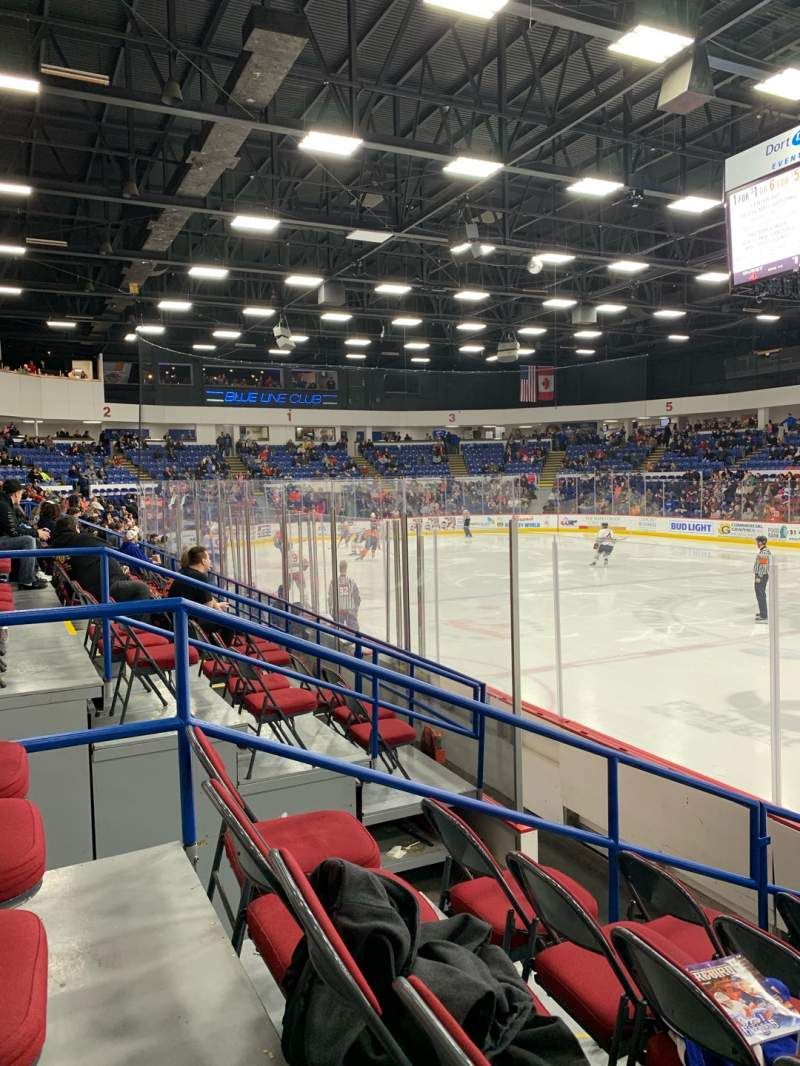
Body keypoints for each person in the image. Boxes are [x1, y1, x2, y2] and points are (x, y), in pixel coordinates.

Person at [51, 515, 152, 606]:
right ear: (75, 528)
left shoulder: (58, 545)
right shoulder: (81, 539)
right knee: (142, 589)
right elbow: (107, 547)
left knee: (140, 587)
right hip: (103, 586)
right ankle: (137, 625)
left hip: (103, 583)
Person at [167, 546, 232, 643]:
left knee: (227, 618)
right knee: (229, 624)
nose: (210, 561)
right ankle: (217, 652)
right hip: (190, 621)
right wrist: (219, 609)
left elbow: (207, 599)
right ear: (203, 561)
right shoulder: (200, 577)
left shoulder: (184, 572)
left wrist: (216, 606)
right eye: (209, 558)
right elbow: (208, 609)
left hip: (180, 618)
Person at [0, 479, 50, 589]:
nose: (22, 496)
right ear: (16, 493)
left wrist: (35, 532)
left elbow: (15, 525)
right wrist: (36, 532)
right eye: (21, 493)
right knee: (28, 540)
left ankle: (34, 573)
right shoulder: (3, 505)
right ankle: (26, 581)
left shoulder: (5, 503)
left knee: (31, 537)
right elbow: (14, 531)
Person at [328, 560, 361, 630]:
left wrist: (332, 611)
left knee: (337, 632)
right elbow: (357, 598)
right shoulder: (352, 581)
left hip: (338, 612)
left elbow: (330, 598)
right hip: (350, 613)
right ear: (346, 568)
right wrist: (355, 610)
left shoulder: (333, 582)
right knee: (354, 633)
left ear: (339, 568)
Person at [754, 535, 770, 623]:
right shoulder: (763, 551)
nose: (756, 543)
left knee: (760, 595)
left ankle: (764, 615)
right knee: (760, 595)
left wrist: (759, 577)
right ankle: (762, 613)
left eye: (757, 542)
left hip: (761, 576)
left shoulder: (764, 552)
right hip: (762, 575)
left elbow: (763, 566)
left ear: (760, 542)